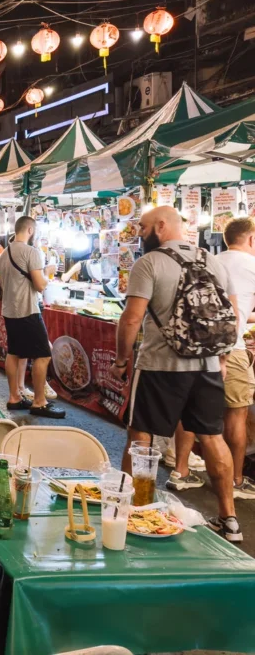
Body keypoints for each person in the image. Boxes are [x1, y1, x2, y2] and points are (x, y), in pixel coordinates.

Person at [113, 205, 239, 540]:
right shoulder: (211, 260)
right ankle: (229, 519)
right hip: (208, 366)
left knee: (141, 435)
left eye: (142, 227)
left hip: (159, 366)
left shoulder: (150, 262)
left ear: (161, 225)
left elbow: (130, 319)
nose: (139, 234)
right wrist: (222, 359)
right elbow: (233, 314)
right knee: (212, 437)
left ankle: (135, 509)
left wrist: (121, 360)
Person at [0, 217, 64, 419]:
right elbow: (40, 285)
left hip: (10, 310)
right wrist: (48, 273)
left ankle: (14, 397)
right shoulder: (31, 252)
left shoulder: (4, 253)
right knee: (43, 354)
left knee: (14, 353)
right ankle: (39, 402)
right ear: (30, 229)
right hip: (28, 309)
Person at [217, 217, 255, 499]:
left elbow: (236, 305)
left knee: (196, 409)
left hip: (203, 347)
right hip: (233, 348)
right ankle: (236, 480)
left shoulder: (212, 260)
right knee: (237, 412)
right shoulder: (252, 265)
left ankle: (181, 470)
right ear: (251, 239)